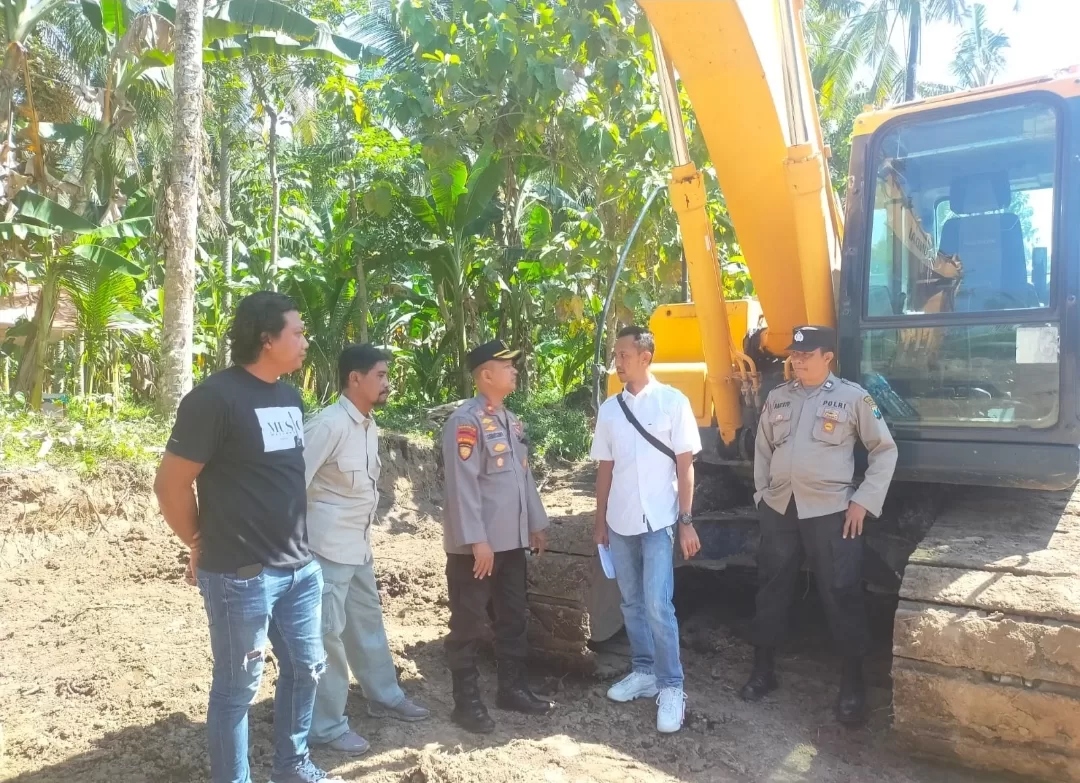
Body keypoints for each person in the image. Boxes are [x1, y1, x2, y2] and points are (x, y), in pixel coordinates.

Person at [154, 291, 342, 783]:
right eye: (297, 332)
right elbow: (171, 484)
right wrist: (197, 542)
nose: (305, 341)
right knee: (237, 690)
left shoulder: (289, 397)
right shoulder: (214, 399)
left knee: (306, 668)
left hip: (300, 568)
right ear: (267, 339)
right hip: (241, 575)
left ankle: (293, 767)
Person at [742, 325, 897, 725]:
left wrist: (863, 501)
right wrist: (762, 496)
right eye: (794, 354)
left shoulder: (853, 398)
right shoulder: (778, 397)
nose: (797, 360)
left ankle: (853, 683)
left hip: (831, 511)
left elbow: (884, 450)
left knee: (841, 591)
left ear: (828, 356)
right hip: (780, 507)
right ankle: (763, 670)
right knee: (770, 588)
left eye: (806, 354)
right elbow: (762, 450)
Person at [303, 344, 430, 755]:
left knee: (367, 623)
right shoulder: (328, 426)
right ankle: (325, 726)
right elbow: (290, 486)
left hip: (356, 546)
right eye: (381, 375)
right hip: (325, 550)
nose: (387, 383)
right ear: (354, 379)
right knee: (327, 636)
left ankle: (384, 696)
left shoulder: (367, 425)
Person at [590, 325, 702, 734]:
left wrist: (686, 521)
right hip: (620, 522)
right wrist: (600, 521)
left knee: (658, 604)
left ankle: (672, 686)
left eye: (623, 355)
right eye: (615, 355)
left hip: (659, 521)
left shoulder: (673, 402)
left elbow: (685, 467)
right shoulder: (609, 410)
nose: (617, 362)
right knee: (631, 602)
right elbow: (605, 469)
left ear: (645, 357)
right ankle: (643, 671)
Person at [440, 339, 555, 734]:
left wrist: (535, 523)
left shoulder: (511, 420)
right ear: (486, 375)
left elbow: (523, 477)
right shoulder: (465, 422)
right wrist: (477, 541)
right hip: (478, 548)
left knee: (512, 616)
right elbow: (462, 486)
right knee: (469, 623)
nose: (514, 370)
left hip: (510, 542)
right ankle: (466, 702)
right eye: (507, 366)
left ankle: (512, 688)